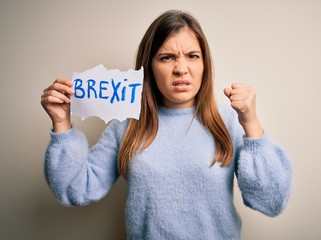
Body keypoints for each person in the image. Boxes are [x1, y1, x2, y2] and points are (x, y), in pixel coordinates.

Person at [41, 9, 292, 240]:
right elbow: (75, 189)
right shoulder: (127, 127)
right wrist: (62, 124)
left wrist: (251, 124)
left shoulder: (228, 122)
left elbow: (271, 201)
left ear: (204, 64)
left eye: (192, 56)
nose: (181, 69)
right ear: (149, 67)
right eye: (167, 57)